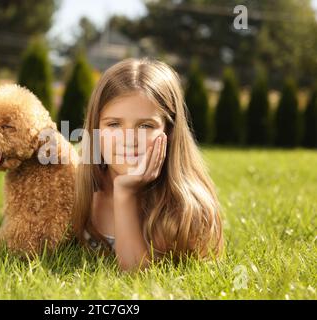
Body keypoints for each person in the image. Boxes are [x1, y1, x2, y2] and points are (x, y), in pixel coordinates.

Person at [72, 58, 224, 271]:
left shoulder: (181, 205)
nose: (129, 139)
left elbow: (136, 275)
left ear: (169, 131)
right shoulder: (75, 186)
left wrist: (125, 193)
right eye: (114, 124)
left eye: (145, 126)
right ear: (95, 129)